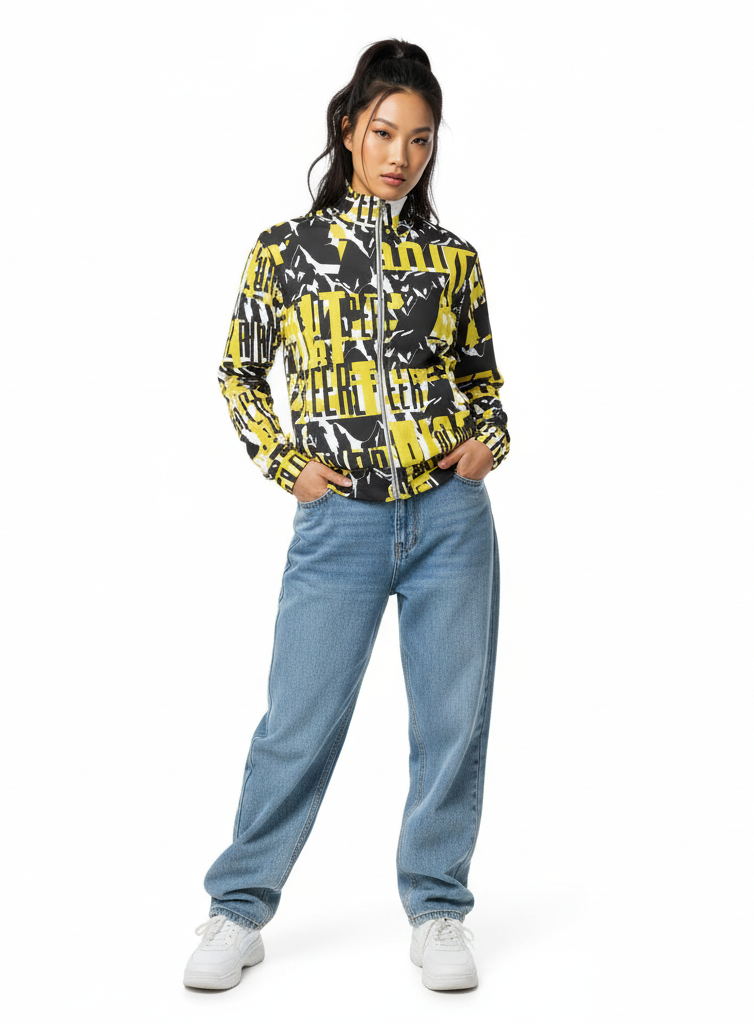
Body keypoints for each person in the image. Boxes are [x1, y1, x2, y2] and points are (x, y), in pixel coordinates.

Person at [183, 38, 510, 992]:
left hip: (450, 518)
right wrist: (287, 463)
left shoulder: (452, 259)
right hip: (342, 525)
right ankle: (238, 908)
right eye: (384, 132)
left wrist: (490, 440)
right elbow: (239, 372)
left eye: (421, 139)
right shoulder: (285, 251)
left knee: (452, 724)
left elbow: (482, 380)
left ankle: (439, 909)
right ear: (348, 129)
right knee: (297, 721)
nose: (401, 155)